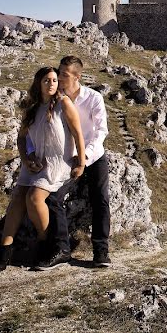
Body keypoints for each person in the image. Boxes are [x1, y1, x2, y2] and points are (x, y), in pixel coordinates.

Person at [0, 66, 85, 271]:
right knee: (17, 198)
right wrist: (26, 159)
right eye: (47, 80)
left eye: (54, 80)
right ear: (39, 83)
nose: (51, 84)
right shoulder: (32, 106)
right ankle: (5, 249)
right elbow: (21, 138)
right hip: (35, 162)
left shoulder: (64, 104)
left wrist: (81, 163)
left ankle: (45, 244)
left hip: (57, 163)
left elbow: (78, 134)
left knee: (34, 198)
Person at [42, 55, 111, 268]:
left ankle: (101, 252)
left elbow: (101, 132)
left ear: (77, 77)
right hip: (65, 160)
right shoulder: (55, 99)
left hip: (93, 157)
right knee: (53, 198)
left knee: (100, 199)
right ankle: (62, 249)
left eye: (64, 74)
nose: (59, 78)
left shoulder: (93, 98)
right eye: (59, 72)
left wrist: (84, 158)